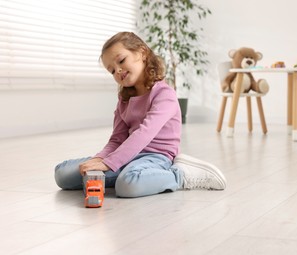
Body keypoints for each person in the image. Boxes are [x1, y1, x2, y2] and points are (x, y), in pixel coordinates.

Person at [54, 32, 226, 198]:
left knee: (128, 184)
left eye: (121, 60)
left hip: (156, 156)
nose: (118, 70)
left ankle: (180, 176)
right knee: (63, 174)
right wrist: (100, 159)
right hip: (125, 154)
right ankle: (130, 176)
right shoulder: (124, 99)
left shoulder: (164, 94)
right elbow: (116, 140)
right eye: (112, 71)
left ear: (142, 52)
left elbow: (144, 134)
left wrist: (108, 163)